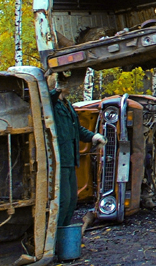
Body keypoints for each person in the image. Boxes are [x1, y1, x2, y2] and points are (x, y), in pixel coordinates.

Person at [49, 75, 106, 227]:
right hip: (58, 159)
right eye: (66, 84)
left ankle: (64, 235)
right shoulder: (52, 104)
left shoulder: (66, 105)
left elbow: (77, 129)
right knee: (62, 200)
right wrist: (56, 89)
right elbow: (46, 99)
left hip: (70, 159)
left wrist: (93, 137)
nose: (70, 86)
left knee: (72, 200)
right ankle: (54, 241)